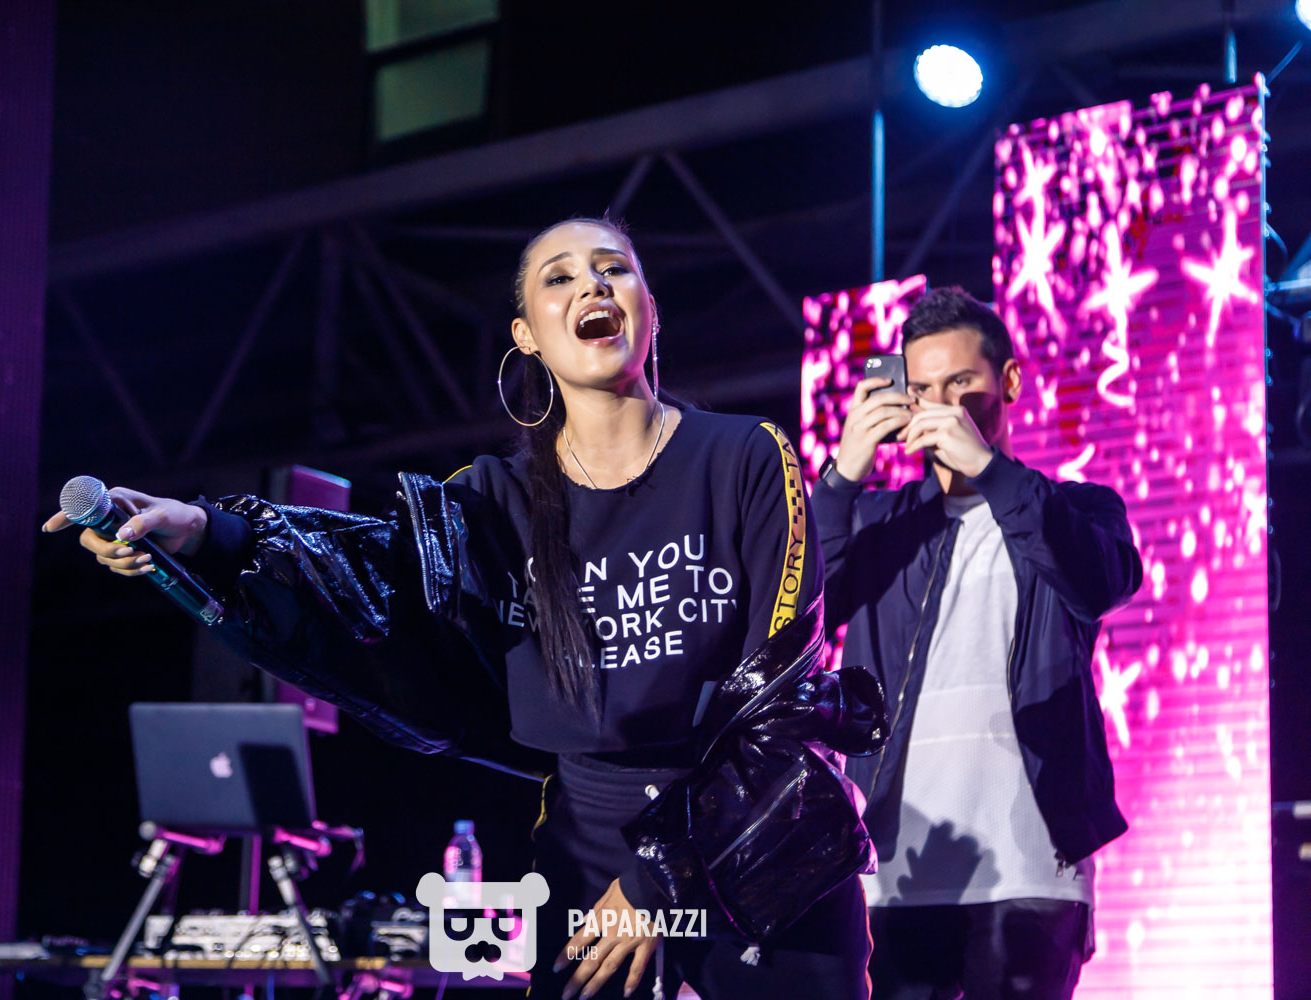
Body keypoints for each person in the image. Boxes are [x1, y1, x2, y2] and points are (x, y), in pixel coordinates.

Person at [45, 218, 876, 1000]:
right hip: (591, 864)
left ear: (649, 307)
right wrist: (206, 533)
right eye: (559, 278)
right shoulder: (489, 501)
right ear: (527, 334)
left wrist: (663, 877)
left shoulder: (746, 457)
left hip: (758, 842)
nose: (593, 285)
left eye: (614, 269)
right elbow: (361, 575)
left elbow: (788, 699)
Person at [809, 287, 1143, 1000]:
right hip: (899, 866)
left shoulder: (1076, 507)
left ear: (1009, 382)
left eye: (961, 385)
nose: (939, 407)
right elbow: (798, 607)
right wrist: (840, 479)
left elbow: (1099, 580)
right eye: (922, 390)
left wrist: (991, 471)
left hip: (1032, 867)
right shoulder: (877, 523)